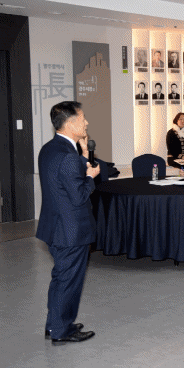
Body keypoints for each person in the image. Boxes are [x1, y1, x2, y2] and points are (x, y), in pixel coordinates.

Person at [37, 101, 100, 344]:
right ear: (70, 123)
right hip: (71, 231)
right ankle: (62, 330)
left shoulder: (50, 149)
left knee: (61, 278)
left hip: (55, 227)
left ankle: (54, 324)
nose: (86, 123)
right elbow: (79, 195)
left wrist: (82, 157)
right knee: (69, 282)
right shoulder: (67, 156)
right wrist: (90, 176)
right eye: (82, 118)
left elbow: (64, 181)